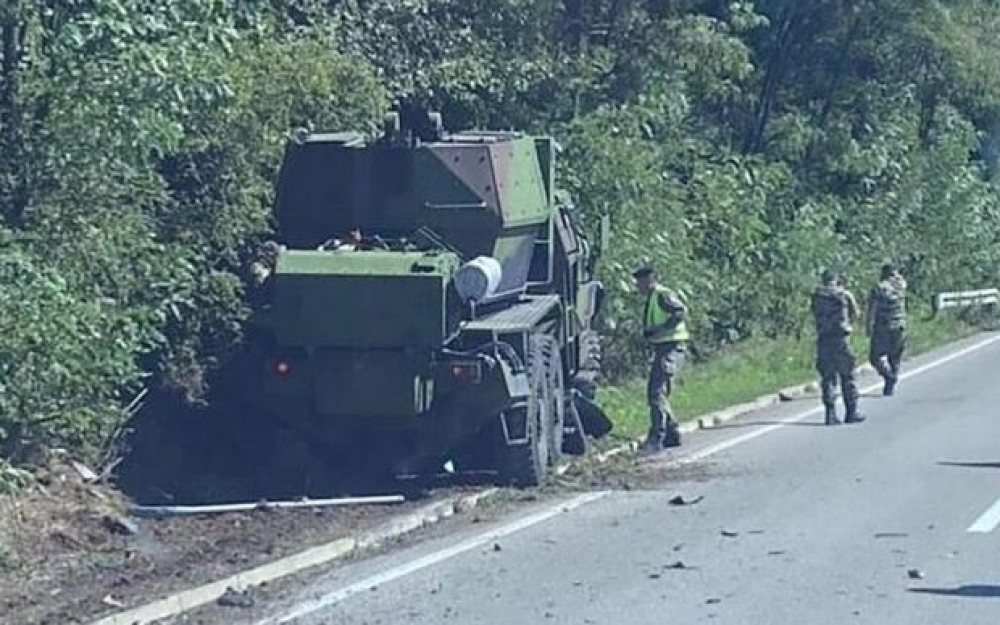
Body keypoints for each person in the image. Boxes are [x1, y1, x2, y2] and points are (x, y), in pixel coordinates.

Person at [633, 266, 690, 452]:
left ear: (652, 279)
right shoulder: (653, 298)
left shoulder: (661, 295)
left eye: (642, 280)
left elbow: (680, 312)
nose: (639, 285)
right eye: (638, 281)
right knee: (659, 393)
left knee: (655, 392)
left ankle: (657, 438)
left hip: (671, 347)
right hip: (663, 347)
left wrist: (660, 329)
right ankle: (672, 434)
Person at [810, 269, 864, 425]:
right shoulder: (844, 295)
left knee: (828, 378)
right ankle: (851, 412)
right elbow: (856, 314)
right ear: (837, 279)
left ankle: (830, 413)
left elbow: (814, 314)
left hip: (824, 339)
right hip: (841, 340)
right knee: (848, 376)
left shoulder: (817, 296)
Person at [867, 263, 907, 396]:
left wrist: (868, 325)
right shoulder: (901, 285)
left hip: (883, 327)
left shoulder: (879, 288)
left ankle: (889, 377)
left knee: (874, 357)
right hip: (899, 325)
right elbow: (899, 278)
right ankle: (891, 383)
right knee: (894, 357)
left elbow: (872, 309)